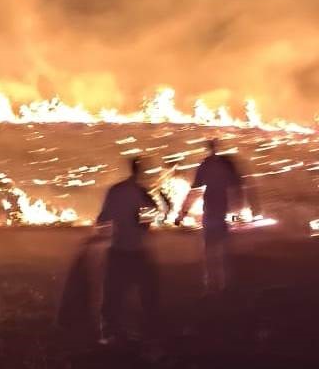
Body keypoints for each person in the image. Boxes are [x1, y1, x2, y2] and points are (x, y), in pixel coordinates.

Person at [94, 157, 164, 342]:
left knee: (113, 295)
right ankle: (149, 332)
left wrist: (103, 237)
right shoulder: (143, 194)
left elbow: (102, 220)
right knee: (148, 296)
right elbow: (146, 224)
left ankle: (109, 333)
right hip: (137, 251)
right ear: (142, 172)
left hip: (118, 249)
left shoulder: (115, 191)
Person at [176, 139, 244, 292]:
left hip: (212, 212)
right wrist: (236, 212)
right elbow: (235, 188)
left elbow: (194, 191)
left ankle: (213, 286)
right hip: (219, 212)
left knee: (210, 251)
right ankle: (225, 286)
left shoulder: (206, 165)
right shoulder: (224, 165)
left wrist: (182, 213)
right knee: (222, 250)